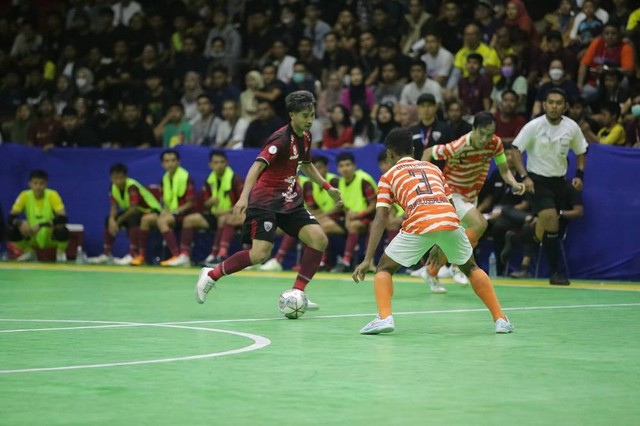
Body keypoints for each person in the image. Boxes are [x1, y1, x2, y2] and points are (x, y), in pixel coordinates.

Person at [351, 128, 514, 335]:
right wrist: (441, 244)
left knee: (384, 267)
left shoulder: (388, 176)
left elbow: (381, 217)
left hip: (419, 223)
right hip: (450, 221)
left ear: (389, 154)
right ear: (412, 149)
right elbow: (449, 203)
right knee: (471, 268)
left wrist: (367, 259)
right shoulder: (432, 168)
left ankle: (384, 318)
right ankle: (501, 319)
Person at [195, 91, 342, 310]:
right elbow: (257, 166)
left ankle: (298, 292)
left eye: (311, 114)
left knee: (318, 239)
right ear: (292, 115)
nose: (310, 119)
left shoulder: (306, 136)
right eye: (304, 115)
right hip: (265, 203)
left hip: (290, 201)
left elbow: (306, 164)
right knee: (259, 255)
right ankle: (212, 274)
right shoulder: (280, 139)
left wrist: (327, 187)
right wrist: (244, 197)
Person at [422, 112, 525, 288]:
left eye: (490, 134)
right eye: (482, 133)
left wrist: (514, 183)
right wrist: (421, 180)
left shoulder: (495, 144)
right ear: (474, 129)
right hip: (451, 194)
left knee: (453, 238)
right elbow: (428, 152)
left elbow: (504, 169)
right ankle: (457, 264)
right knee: (480, 224)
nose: (486, 138)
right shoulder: (459, 145)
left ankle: (430, 272)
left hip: (471, 196)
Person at [510, 88, 588, 285]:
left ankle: (517, 240)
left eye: (558, 103)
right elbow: (516, 149)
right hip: (536, 180)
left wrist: (579, 175)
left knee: (548, 228)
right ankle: (555, 273)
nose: (554, 106)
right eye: (550, 102)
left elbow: (581, 151)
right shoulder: (534, 126)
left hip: (559, 181)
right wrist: (524, 177)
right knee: (551, 218)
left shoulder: (572, 127)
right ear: (544, 105)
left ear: (565, 106)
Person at [162, 151, 244, 267]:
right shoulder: (209, 181)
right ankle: (184, 256)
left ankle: (218, 255)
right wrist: (208, 203)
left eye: (222, 162)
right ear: (210, 165)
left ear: (227, 163)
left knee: (224, 219)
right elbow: (203, 204)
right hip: (215, 215)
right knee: (189, 220)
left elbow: (244, 203)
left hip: (233, 215)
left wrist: (227, 211)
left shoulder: (236, 180)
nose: (219, 165)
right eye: (216, 162)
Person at [132, 149, 196, 266]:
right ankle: (141, 256)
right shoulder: (164, 179)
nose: (170, 163)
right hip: (169, 213)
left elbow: (190, 203)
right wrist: (165, 211)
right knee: (145, 219)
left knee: (162, 221)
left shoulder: (186, 177)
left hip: (183, 214)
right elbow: (165, 202)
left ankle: (177, 256)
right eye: (167, 161)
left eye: (173, 160)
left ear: (179, 162)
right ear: (162, 164)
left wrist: (175, 212)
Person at [88, 164, 162, 265]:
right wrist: (111, 220)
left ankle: (133, 254)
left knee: (132, 218)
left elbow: (133, 208)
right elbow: (114, 206)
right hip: (134, 212)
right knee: (108, 220)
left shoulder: (132, 187)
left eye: (121, 178)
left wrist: (117, 222)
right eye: (115, 178)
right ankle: (106, 254)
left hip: (150, 211)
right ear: (111, 178)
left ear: (126, 177)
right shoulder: (113, 187)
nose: (118, 181)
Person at [7, 170, 70, 262]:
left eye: (41, 183)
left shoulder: (53, 195)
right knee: (12, 230)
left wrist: (42, 225)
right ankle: (29, 252)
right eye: (35, 183)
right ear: (30, 184)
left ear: (46, 184)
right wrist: (20, 223)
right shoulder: (24, 195)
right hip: (32, 235)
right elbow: (10, 217)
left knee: (62, 230)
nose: (38, 187)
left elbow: (63, 218)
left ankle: (60, 253)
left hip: (49, 237)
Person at [331, 152, 378, 273]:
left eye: (348, 165)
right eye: (341, 166)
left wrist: (357, 216)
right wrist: (348, 216)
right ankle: (324, 261)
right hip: (353, 217)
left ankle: (347, 261)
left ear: (354, 166)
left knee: (354, 225)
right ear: (337, 168)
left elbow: (373, 204)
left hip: (371, 216)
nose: (345, 168)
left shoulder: (363, 180)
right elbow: (344, 206)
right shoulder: (339, 183)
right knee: (322, 226)